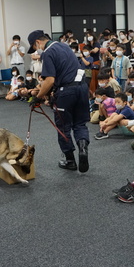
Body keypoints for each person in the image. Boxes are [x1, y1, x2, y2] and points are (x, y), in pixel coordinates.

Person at [28, 30, 90, 172]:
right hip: (82, 88)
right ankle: (83, 148)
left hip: (66, 92)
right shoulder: (64, 46)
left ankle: (70, 161)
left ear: (38, 42)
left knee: (63, 127)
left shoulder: (48, 53)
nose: (37, 51)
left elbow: (49, 80)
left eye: (35, 47)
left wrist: (37, 98)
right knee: (80, 124)